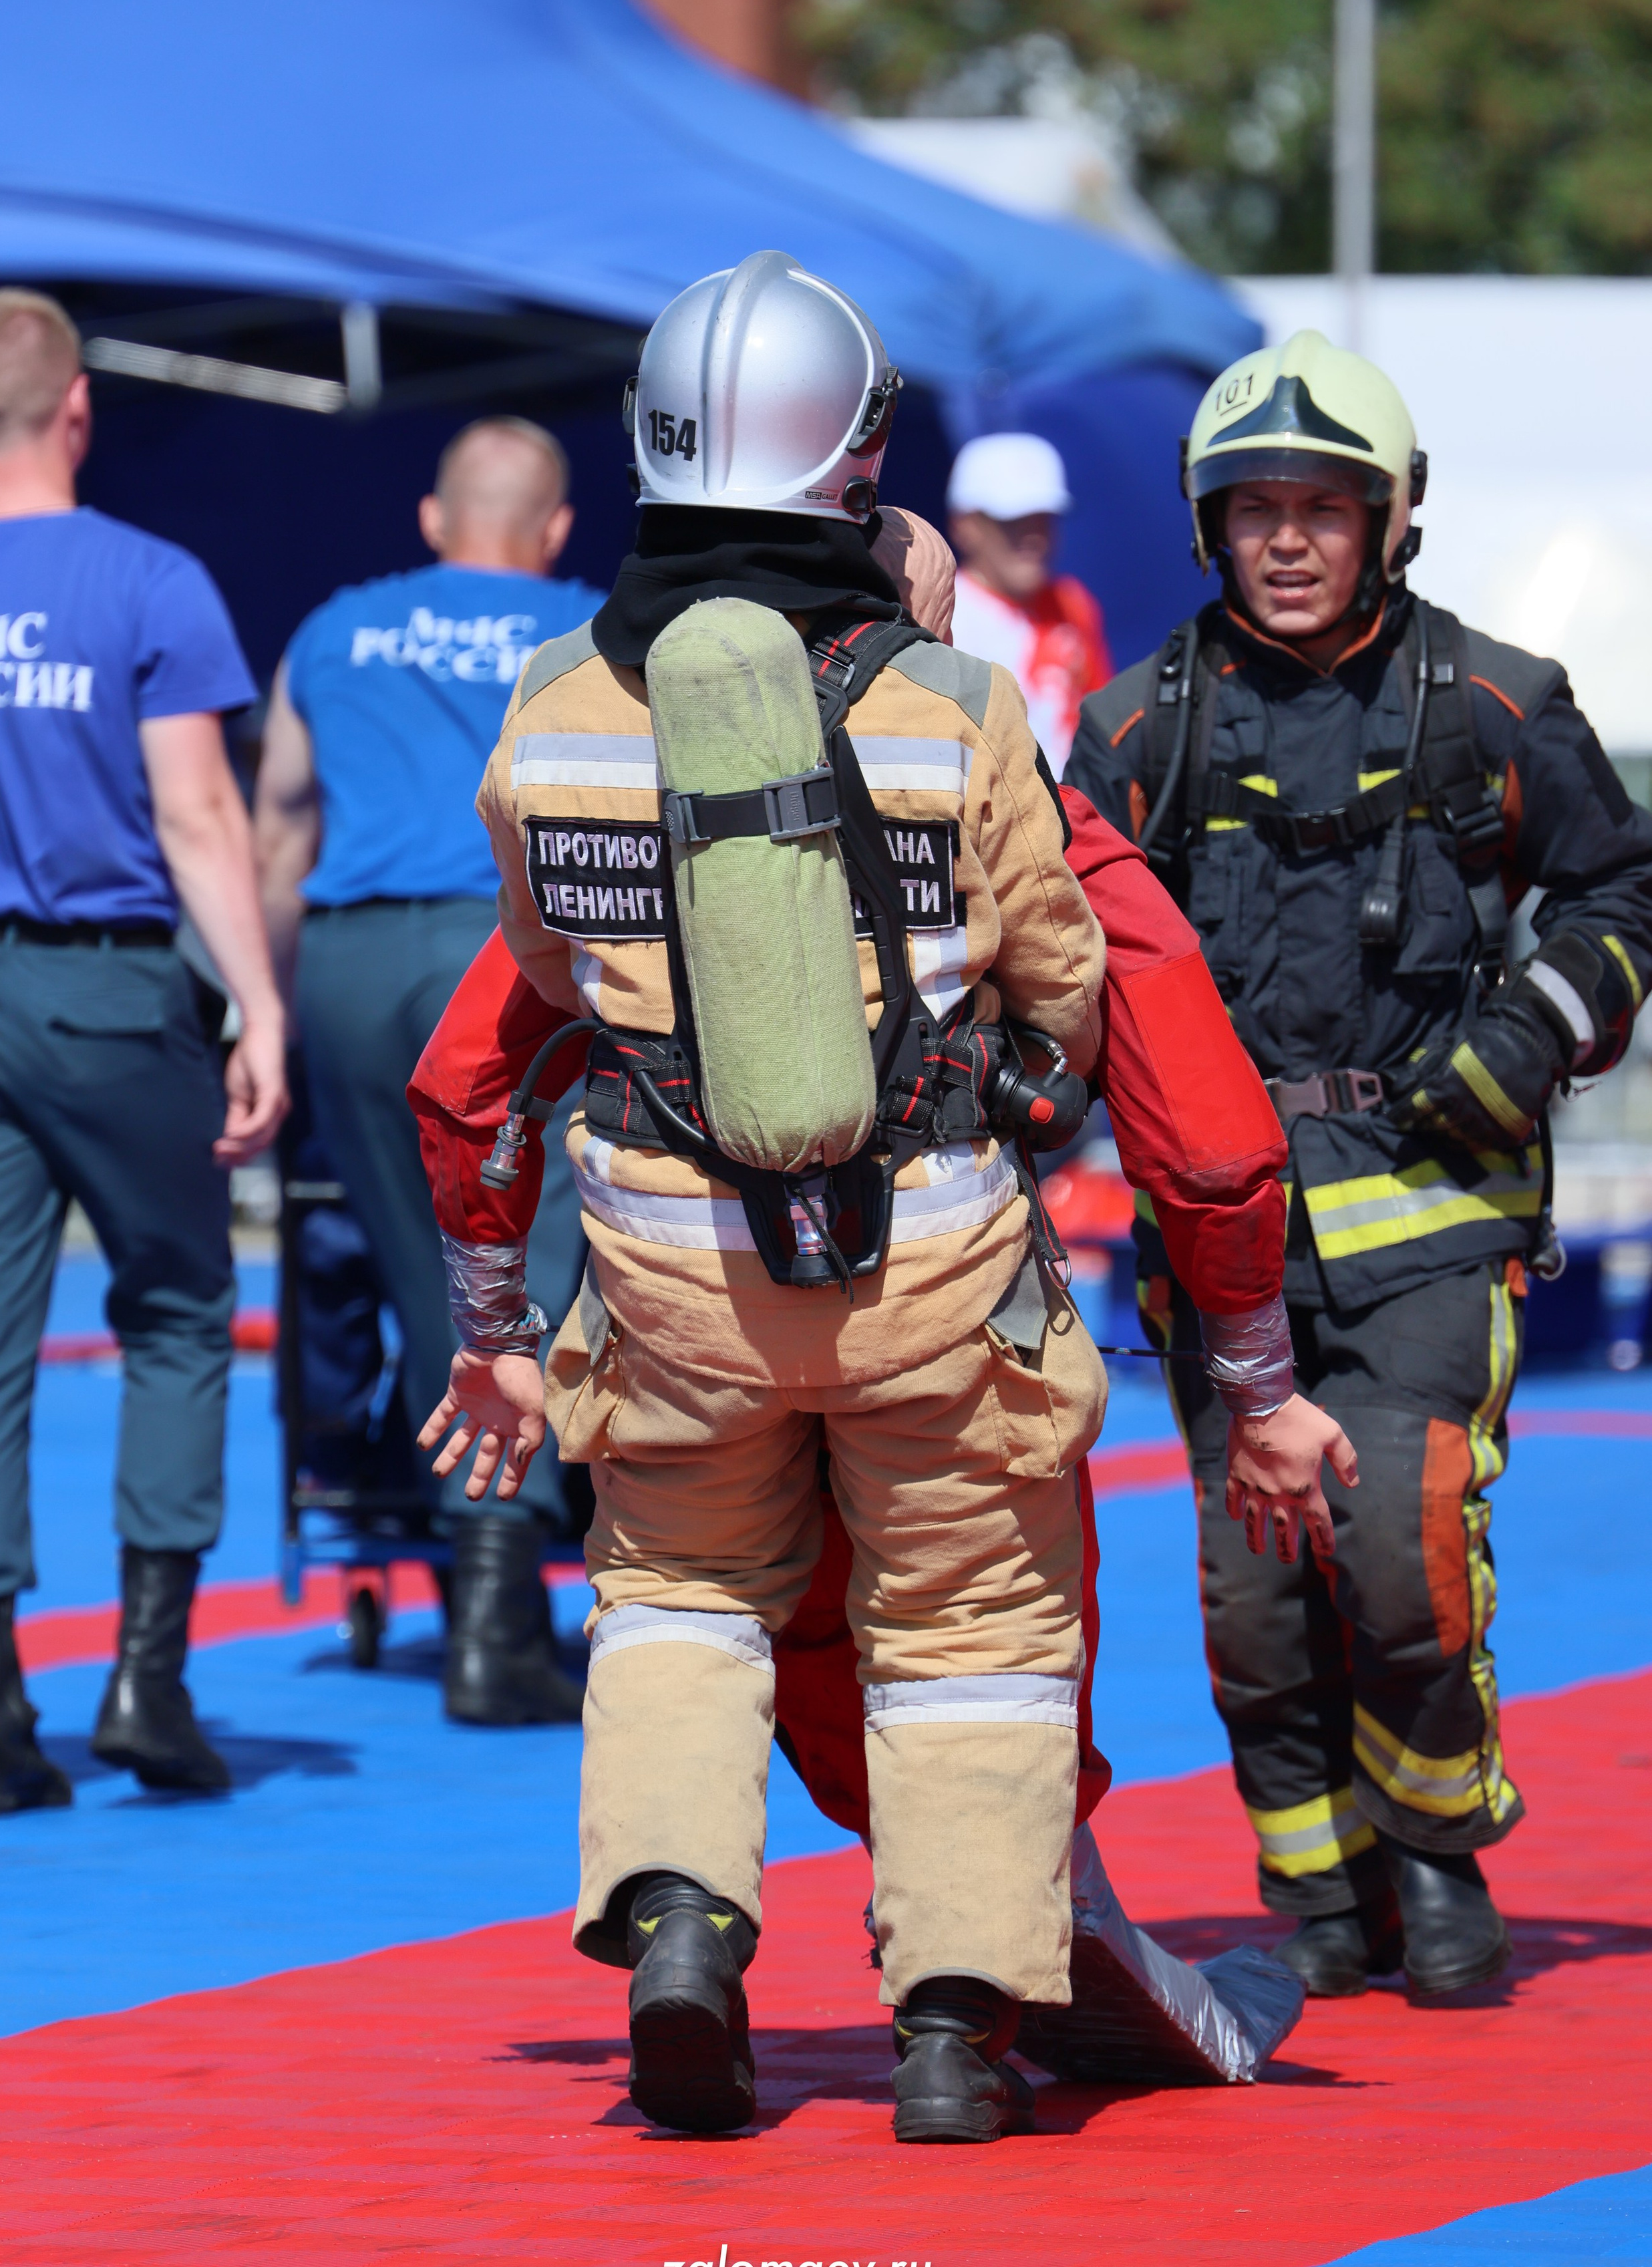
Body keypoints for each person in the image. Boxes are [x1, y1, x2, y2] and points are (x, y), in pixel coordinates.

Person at [410, 249, 1348, 2145]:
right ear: (858, 465)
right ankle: (946, 2028)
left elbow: (509, 1028)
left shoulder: (549, 715)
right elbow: (1073, 990)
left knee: (677, 1597)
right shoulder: (951, 706)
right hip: (928, 1262)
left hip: (664, 1271)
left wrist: (494, 1331)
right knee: (974, 1635)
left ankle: (681, 1928)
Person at [1067, 329, 1652, 2000]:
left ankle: (1436, 1847)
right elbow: (1062, 951)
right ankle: (1319, 1881)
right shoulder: (1130, 731)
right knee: (1254, 1589)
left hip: (1429, 1206)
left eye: (1323, 506)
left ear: (1392, 517)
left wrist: (1526, 1037)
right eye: (1252, 508)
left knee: (1395, 1535)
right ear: (1208, 528)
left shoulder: (1494, 704)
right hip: (1220, 1223)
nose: (1287, 539)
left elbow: (1622, 892)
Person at [0, 286, 287, 1813]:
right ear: (77, 406)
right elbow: (199, 815)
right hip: (108, 991)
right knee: (175, 1304)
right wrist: (259, 1004)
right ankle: (149, 1676)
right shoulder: (150, 581)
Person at [253, 418, 602, 1726]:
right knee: (533, 1268)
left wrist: (263, 1011)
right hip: (504, 966)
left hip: (346, 965)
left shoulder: (336, 626)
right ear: (556, 527)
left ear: (429, 519)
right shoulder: (590, 631)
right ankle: (504, 1612)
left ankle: (474, 1589)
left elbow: (278, 819)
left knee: (421, 1275)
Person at [946, 430, 1112, 772]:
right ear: (965, 525)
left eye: (1044, 518)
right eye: (1013, 521)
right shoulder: (941, 616)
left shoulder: (1073, 604)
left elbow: (1104, 724)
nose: (1034, 536)